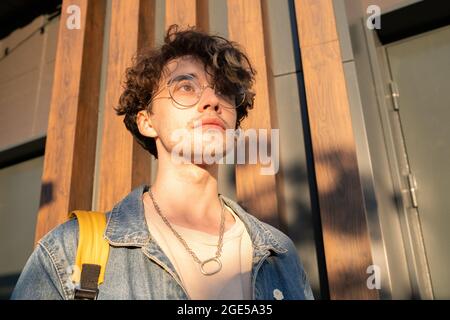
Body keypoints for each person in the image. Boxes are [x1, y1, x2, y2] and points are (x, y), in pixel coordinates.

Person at [11, 25, 313, 300]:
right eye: (186, 86)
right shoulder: (70, 250)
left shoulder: (280, 254)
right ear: (146, 121)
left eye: (223, 89)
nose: (212, 100)